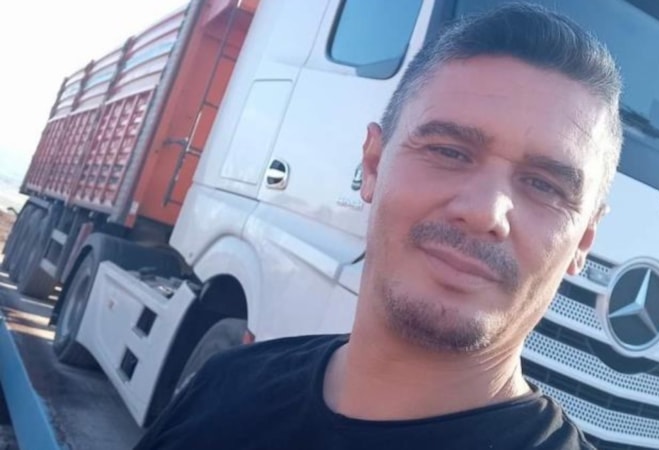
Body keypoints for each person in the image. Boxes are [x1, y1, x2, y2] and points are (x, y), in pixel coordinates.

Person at [134, 3, 622, 449]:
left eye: (544, 186)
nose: (485, 212)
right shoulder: (223, 385)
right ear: (372, 164)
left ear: (584, 239)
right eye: (449, 151)